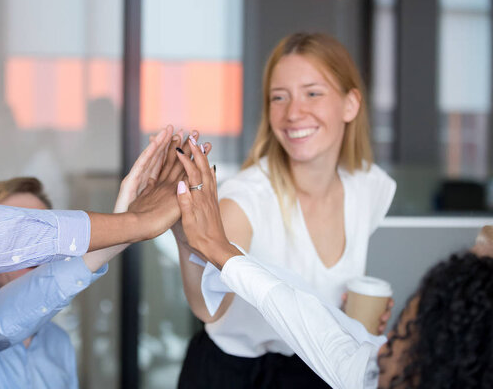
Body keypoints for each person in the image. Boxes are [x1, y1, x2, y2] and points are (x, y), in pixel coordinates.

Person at [0, 123, 206, 388]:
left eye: (44, 242)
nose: (35, 251)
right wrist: (124, 230)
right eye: (21, 238)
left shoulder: (58, 344)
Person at [174, 141, 493, 388]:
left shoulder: (364, 187)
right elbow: (308, 316)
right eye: (396, 334)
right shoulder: (369, 366)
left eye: (403, 342)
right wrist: (213, 247)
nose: (379, 351)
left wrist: (217, 248)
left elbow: (299, 314)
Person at [173, 33, 396, 388]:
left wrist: (349, 324)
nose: (293, 113)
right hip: (236, 373)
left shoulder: (369, 188)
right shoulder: (247, 196)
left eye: (313, 93)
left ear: (350, 104)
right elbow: (207, 307)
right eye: (279, 97)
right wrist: (188, 242)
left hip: (319, 370)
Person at [0, 126, 180, 282]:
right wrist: (131, 224)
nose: (37, 249)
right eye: (30, 230)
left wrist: (126, 225)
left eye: (39, 222)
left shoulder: (55, 344)